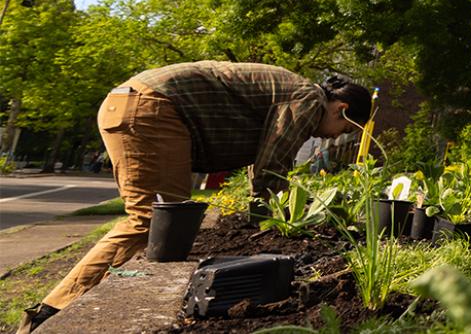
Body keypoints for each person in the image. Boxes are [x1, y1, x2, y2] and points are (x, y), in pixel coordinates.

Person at [19, 62, 370, 333]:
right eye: (344, 130)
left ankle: (62, 307)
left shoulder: (294, 89)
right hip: (152, 108)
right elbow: (272, 165)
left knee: (163, 225)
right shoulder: (308, 98)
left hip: (136, 104)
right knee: (155, 224)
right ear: (342, 110)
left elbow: (264, 159)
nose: (332, 140)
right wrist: (272, 222)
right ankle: (51, 313)